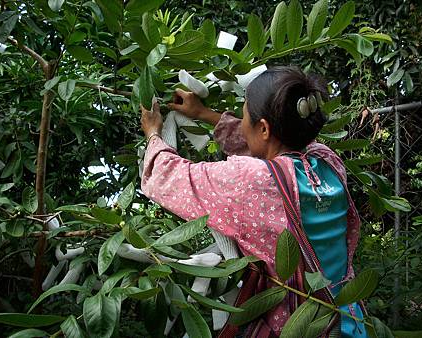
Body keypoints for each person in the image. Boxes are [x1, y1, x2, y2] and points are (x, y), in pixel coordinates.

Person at [140, 66, 367, 337]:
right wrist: (203, 114)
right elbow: (270, 146)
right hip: (347, 319)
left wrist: (153, 133)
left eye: (245, 113)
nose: (242, 121)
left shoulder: (252, 181)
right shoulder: (327, 160)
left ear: (263, 128)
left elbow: (169, 178)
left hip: (300, 326)